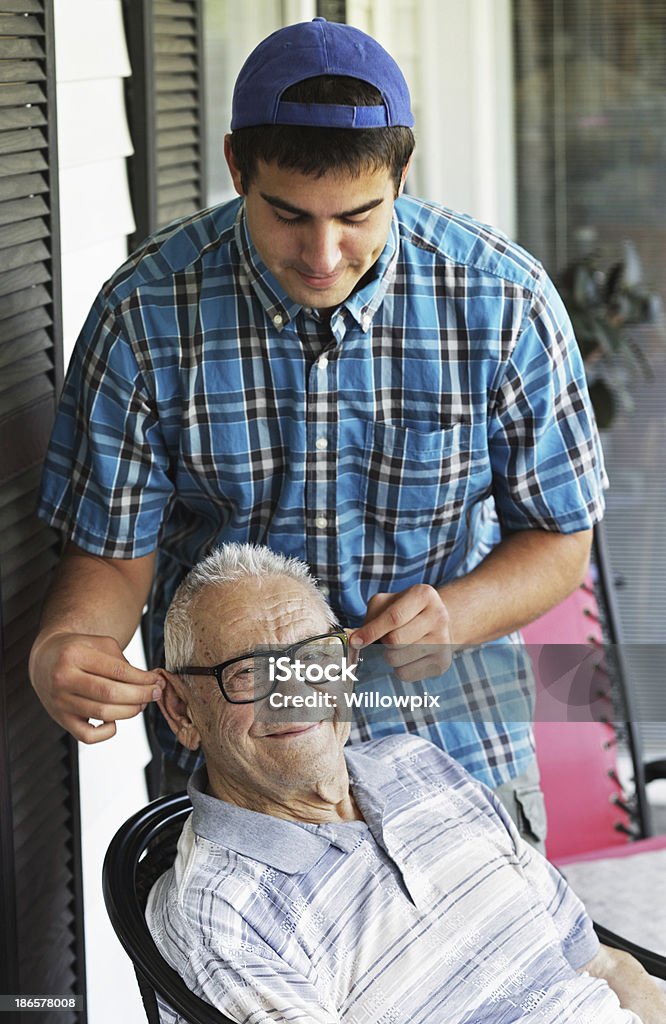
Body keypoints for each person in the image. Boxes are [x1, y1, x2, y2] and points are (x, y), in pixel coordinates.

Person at [29, 18, 606, 837]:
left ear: (402, 176)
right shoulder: (143, 316)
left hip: (452, 738)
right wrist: (71, 642)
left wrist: (456, 610)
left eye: (358, 217)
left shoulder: (504, 301)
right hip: (238, 760)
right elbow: (114, 554)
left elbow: (558, 540)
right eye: (289, 214)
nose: (324, 254)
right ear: (237, 166)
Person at [146, 543, 664, 1024]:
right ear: (180, 710)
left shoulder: (419, 766)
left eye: (316, 655)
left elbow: (600, 965)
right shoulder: (220, 914)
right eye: (248, 672)